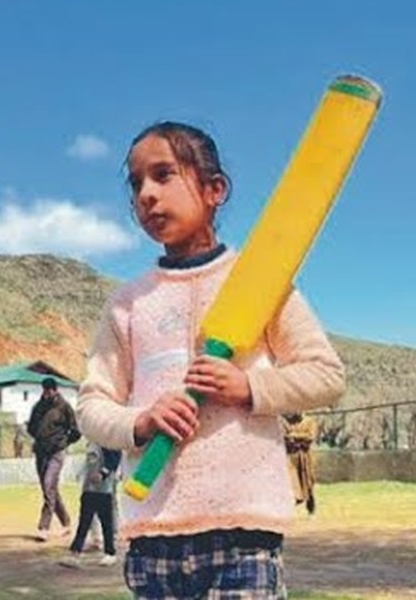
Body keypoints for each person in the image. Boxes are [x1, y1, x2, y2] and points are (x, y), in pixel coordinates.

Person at [75, 122, 346, 598]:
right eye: (136, 184)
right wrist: (141, 422)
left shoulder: (263, 284)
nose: (146, 195)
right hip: (153, 538)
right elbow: (92, 406)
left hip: (244, 532)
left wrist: (249, 388)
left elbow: (326, 376)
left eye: (163, 175)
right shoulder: (128, 303)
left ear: (214, 189)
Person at [27, 377, 81, 541]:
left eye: (50, 390)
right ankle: (66, 522)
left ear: (55, 390)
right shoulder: (38, 407)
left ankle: (44, 527)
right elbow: (31, 427)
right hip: (41, 452)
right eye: (44, 390)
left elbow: (76, 431)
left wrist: (63, 443)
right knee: (48, 489)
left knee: (49, 483)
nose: (47, 393)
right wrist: (39, 439)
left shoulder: (64, 407)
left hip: (57, 452)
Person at [59, 441, 121, 569]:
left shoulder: (107, 442)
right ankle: (75, 553)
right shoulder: (91, 444)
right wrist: (81, 475)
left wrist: (102, 473)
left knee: (106, 523)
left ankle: (110, 553)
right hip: (88, 489)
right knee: (84, 522)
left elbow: (115, 459)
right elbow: (88, 463)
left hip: (103, 490)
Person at [282, 412, 319, 515]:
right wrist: (292, 439)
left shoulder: (309, 422)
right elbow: (284, 436)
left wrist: (295, 436)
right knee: (292, 481)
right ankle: (295, 500)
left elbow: (310, 437)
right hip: (291, 457)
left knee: (308, 481)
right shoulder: (287, 423)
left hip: (306, 457)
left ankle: (310, 503)